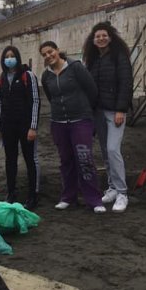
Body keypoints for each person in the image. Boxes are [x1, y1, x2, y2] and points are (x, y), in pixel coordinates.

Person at [39, 41, 106, 214]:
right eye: (44, 54)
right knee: (66, 160)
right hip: (59, 123)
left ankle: (94, 199)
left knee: (84, 159)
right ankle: (68, 196)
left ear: (58, 50)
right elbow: (50, 96)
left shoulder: (75, 67)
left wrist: (84, 110)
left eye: (50, 51)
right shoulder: (46, 76)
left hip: (80, 120)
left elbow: (92, 90)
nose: (48, 56)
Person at [82, 21, 134, 213]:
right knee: (104, 150)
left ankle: (122, 193)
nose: (101, 38)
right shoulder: (93, 61)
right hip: (98, 112)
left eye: (104, 35)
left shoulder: (119, 57)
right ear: (93, 41)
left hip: (115, 112)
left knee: (113, 150)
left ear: (110, 37)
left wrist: (121, 109)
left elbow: (126, 83)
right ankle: (111, 187)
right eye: (97, 36)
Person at [0, 46, 41, 210]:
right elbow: (1, 103)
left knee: (30, 160)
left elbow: (35, 101)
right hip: (8, 126)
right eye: (6, 56)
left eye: (12, 55)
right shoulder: (2, 78)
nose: (9, 59)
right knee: (10, 160)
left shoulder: (27, 75)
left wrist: (33, 126)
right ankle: (11, 192)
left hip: (25, 125)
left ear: (17, 57)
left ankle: (33, 195)